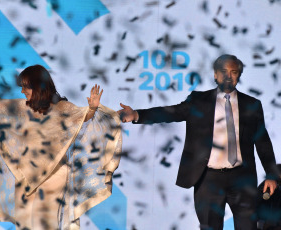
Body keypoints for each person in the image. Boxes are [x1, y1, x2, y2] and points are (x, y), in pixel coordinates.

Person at [0, 65, 122, 230]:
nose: (22, 91)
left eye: (26, 87)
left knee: (45, 223)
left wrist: (91, 109)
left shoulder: (63, 108)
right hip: (25, 176)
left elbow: (82, 118)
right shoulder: (22, 108)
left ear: (39, 87)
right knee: (24, 222)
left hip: (54, 177)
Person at [118, 54, 279, 230]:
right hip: (208, 179)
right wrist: (137, 115)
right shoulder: (198, 101)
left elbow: (262, 141)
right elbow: (171, 112)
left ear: (238, 75)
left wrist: (271, 175)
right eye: (223, 71)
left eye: (233, 72)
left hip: (242, 179)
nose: (228, 76)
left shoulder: (252, 104)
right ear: (215, 75)